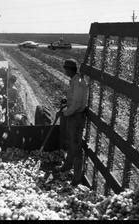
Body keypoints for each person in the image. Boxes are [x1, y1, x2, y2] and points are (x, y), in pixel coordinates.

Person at [54, 58, 89, 186]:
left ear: (70, 69)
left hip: (76, 116)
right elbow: (73, 100)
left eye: (65, 69)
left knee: (76, 146)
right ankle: (66, 167)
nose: (65, 71)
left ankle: (76, 178)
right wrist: (65, 101)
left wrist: (64, 113)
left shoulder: (78, 82)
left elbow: (76, 104)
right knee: (71, 144)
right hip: (73, 115)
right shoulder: (74, 81)